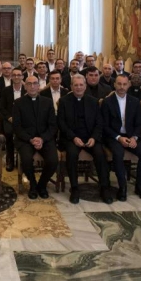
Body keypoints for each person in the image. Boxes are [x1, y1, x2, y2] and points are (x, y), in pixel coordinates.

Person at [57, 75, 112, 204]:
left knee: (100, 154)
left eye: (81, 85)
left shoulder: (93, 101)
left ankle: (104, 187)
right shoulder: (64, 101)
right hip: (71, 138)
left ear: (85, 86)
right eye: (76, 85)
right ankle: (75, 188)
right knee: (71, 154)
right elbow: (61, 123)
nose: (79, 87)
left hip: (90, 137)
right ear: (71, 87)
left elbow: (99, 123)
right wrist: (73, 137)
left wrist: (94, 137)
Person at [102, 75, 141, 202]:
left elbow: (139, 123)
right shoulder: (107, 102)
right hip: (113, 136)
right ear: (115, 85)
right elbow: (104, 125)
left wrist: (134, 138)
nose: (122, 87)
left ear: (128, 85)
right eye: (119, 84)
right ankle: (122, 187)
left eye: (124, 84)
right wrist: (119, 138)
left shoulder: (135, 102)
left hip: (131, 136)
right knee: (118, 153)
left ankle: (140, 186)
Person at [14, 76, 58, 200]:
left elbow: (53, 125)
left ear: (39, 86)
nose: (32, 86)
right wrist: (30, 139)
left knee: (53, 161)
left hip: (45, 139)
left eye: (35, 84)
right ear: (25, 86)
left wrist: (42, 139)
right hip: (26, 140)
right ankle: (33, 185)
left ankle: (42, 185)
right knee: (26, 159)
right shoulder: (18, 103)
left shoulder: (48, 102)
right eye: (29, 84)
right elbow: (17, 127)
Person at [0, 68, 24, 171]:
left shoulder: (26, 90)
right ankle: (10, 159)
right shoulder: (6, 90)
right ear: (11, 77)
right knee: (8, 133)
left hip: (24, 120)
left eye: (19, 75)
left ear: (22, 77)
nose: (16, 77)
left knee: (25, 133)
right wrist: (9, 117)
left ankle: (23, 159)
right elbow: (1, 108)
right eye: (14, 75)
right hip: (10, 119)